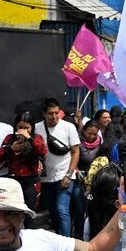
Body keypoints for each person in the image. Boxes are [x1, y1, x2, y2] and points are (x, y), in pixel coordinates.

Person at [36, 98, 81, 237]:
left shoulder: (68, 127)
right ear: (44, 114)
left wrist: (68, 175)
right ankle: (59, 242)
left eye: (56, 112)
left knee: (62, 210)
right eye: (50, 113)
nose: (54, 116)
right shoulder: (36, 128)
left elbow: (75, 151)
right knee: (54, 213)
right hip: (46, 179)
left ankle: (67, 245)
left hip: (65, 177)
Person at [0, 113, 47, 217]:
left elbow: (43, 152)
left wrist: (29, 138)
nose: (23, 130)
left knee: (29, 215)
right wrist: (11, 149)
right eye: (20, 127)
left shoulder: (37, 138)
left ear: (32, 128)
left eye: (26, 128)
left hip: (31, 180)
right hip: (13, 180)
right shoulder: (9, 138)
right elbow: (0, 157)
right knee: (13, 215)